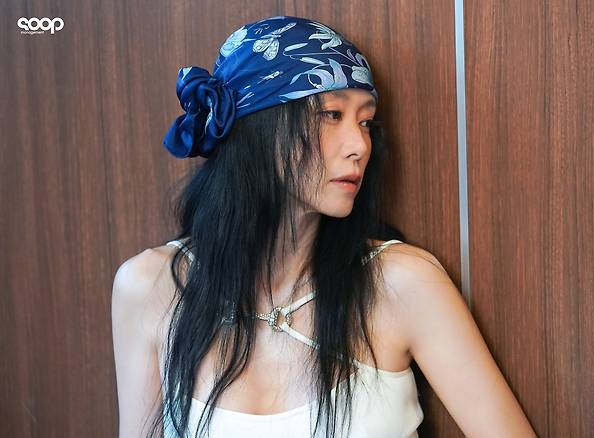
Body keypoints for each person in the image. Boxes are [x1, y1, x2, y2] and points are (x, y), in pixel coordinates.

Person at [111, 15, 536, 438]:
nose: (360, 146)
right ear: (259, 126)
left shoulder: (404, 284)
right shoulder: (149, 286)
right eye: (332, 114)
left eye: (365, 122)